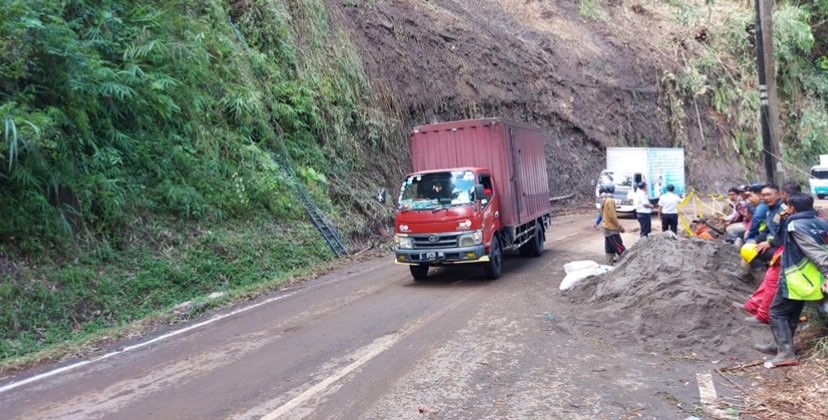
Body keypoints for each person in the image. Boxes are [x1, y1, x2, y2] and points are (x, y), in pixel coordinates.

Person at [756, 192, 828, 368]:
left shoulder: (795, 225)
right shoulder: (820, 222)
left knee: (777, 312)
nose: (786, 209)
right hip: (810, 277)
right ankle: (779, 346)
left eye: (788, 206)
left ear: (793, 208)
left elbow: (814, 252)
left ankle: (786, 353)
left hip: (796, 275)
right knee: (792, 311)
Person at [593, 184, 626, 265]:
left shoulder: (603, 199)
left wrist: (597, 222)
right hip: (611, 229)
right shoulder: (610, 200)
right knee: (620, 249)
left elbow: (601, 214)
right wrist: (619, 227)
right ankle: (627, 265)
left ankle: (609, 266)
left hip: (606, 228)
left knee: (609, 250)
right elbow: (612, 216)